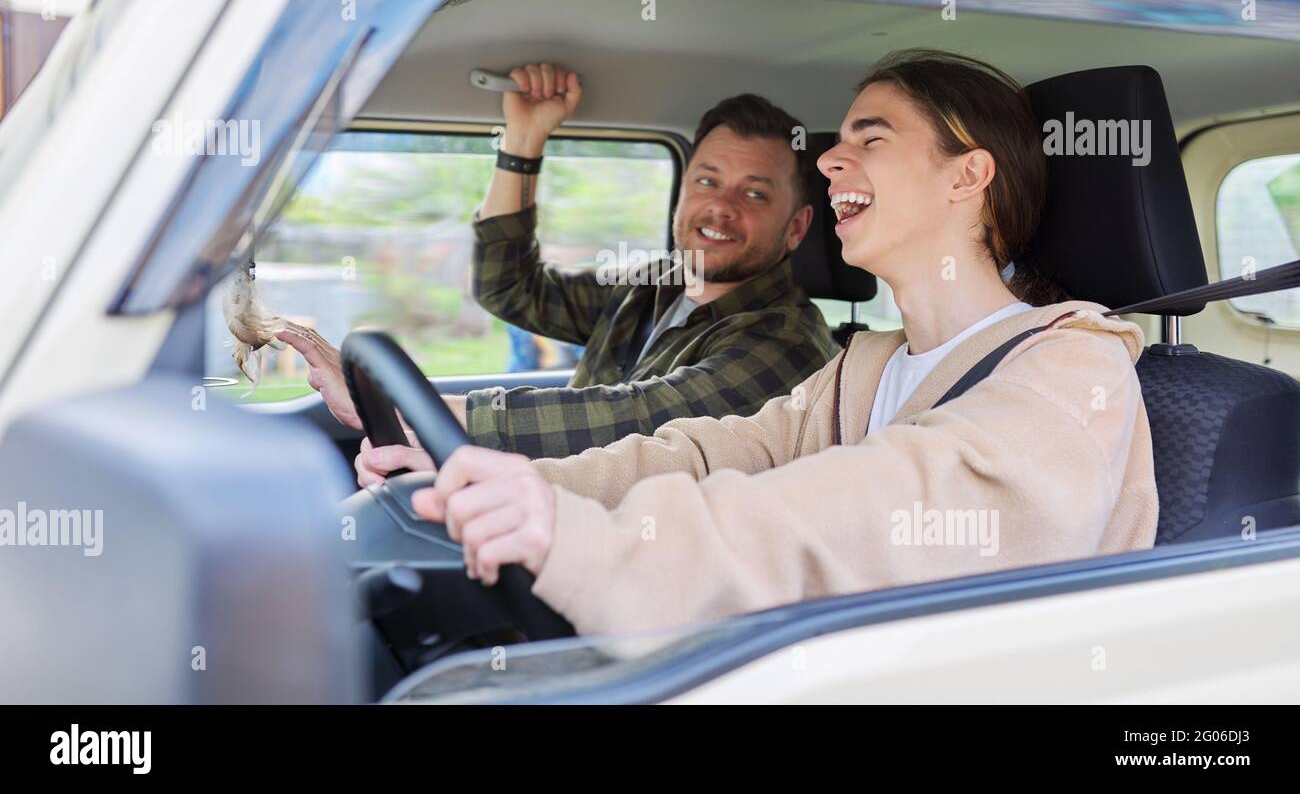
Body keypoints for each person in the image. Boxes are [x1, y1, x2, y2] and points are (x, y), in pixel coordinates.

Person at [363, 48, 1159, 636]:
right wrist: (503, 480)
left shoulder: (1073, 365)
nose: (833, 158)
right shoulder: (864, 367)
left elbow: (879, 508)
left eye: (871, 139)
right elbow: (702, 454)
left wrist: (580, 540)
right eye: (838, 140)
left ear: (966, 176)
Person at [282, 62, 837, 458]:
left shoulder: (788, 342)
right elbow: (512, 289)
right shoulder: (658, 283)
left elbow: (642, 417)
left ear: (796, 229)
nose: (720, 206)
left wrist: (418, 411)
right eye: (707, 180)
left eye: (755, 194)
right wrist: (522, 140)